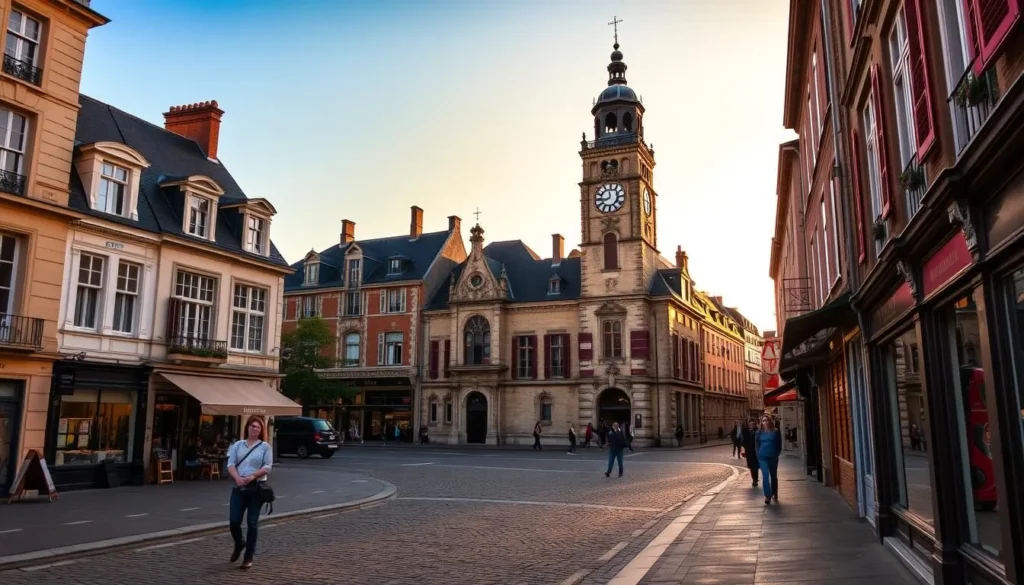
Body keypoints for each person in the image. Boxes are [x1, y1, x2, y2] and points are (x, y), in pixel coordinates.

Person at [227, 415, 273, 569]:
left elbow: (267, 466)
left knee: (252, 523)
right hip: (239, 488)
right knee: (234, 522)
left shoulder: (265, 447)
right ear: (247, 427)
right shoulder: (238, 445)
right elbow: (231, 463)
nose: (254, 429)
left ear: (261, 431)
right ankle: (240, 543)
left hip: (256, 488)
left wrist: (253, 476)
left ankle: (249, 555)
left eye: (257, 427)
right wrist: (237, 478)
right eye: (252, 426)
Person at [755, 414, 782, 505]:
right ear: (761, 422)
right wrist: (758, 453)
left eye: (766, 420)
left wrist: (777, 454)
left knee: (773, 476)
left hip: (773, 457)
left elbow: (779, 444)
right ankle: (767, 496)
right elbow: (757, 444)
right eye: (763, 421)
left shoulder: (776, 431)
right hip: (762, 457)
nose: (765, 422)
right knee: (765, 476)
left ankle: (775, 492)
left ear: (769, 421)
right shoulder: (759, 432)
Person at [741, 418, 760, 487]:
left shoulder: (758, 431)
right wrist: (743, 451)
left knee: (755, 467)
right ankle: (754, 479)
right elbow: (742, 442)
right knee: (752, 467)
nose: (751, 425)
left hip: (756, 452)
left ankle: (755, 480)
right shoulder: (746, 432)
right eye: (750, 424)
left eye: (753, 424)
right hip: (749, 452)